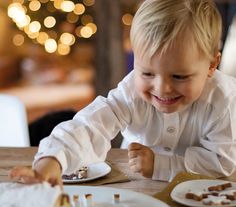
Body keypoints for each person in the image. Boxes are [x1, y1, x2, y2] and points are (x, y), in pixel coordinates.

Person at [11, 0, 236, 188]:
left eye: (179, 77)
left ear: (211, 65)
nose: (162, 88)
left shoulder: (223, 100)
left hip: (204, 194)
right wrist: (53, 159)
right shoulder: (132, 91)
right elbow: (91, 125)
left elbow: (222, 162)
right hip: (135, 189)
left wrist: (160, 165)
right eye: (147, 72)